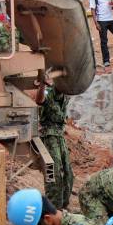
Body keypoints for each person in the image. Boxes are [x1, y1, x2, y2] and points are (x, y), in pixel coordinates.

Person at [36, 74, 73, 210]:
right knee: (53, 172)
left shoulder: (65, 97)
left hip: (60, 137)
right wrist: (42, 84)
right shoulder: (48, 93)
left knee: (68, 173)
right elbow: (39, 100)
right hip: (49, 136)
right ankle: (53, 207)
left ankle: (63, 205)